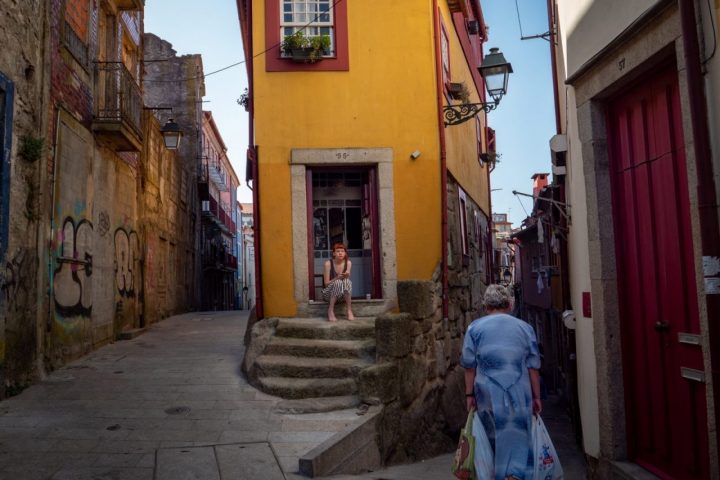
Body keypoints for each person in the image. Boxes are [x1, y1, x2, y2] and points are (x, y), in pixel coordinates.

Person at [460, 284, 542, 480]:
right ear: (509, 304)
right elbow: (532, 367)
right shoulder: (525, 328)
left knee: (491, 439)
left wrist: (469, 395)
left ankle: (492, 474)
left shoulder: (475, 328)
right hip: (519, 395)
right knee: (517, 439)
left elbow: (469, 367)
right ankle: (514, 475)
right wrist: (536, 397)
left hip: (487, 394)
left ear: (486, 305)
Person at [322, 243, 355, 322]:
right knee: (338, 282)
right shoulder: (328, 264)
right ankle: (330, 310)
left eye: (342, 251)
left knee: (347, 281)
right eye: (338, 251)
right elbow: (326, 284)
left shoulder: (348, 263)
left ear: (345, 253)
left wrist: (346, 275)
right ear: (334, 253)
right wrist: (336, 278)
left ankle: (349, 310)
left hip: (341, 295)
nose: (340, 253)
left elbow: (346, 282)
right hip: (328, 294)